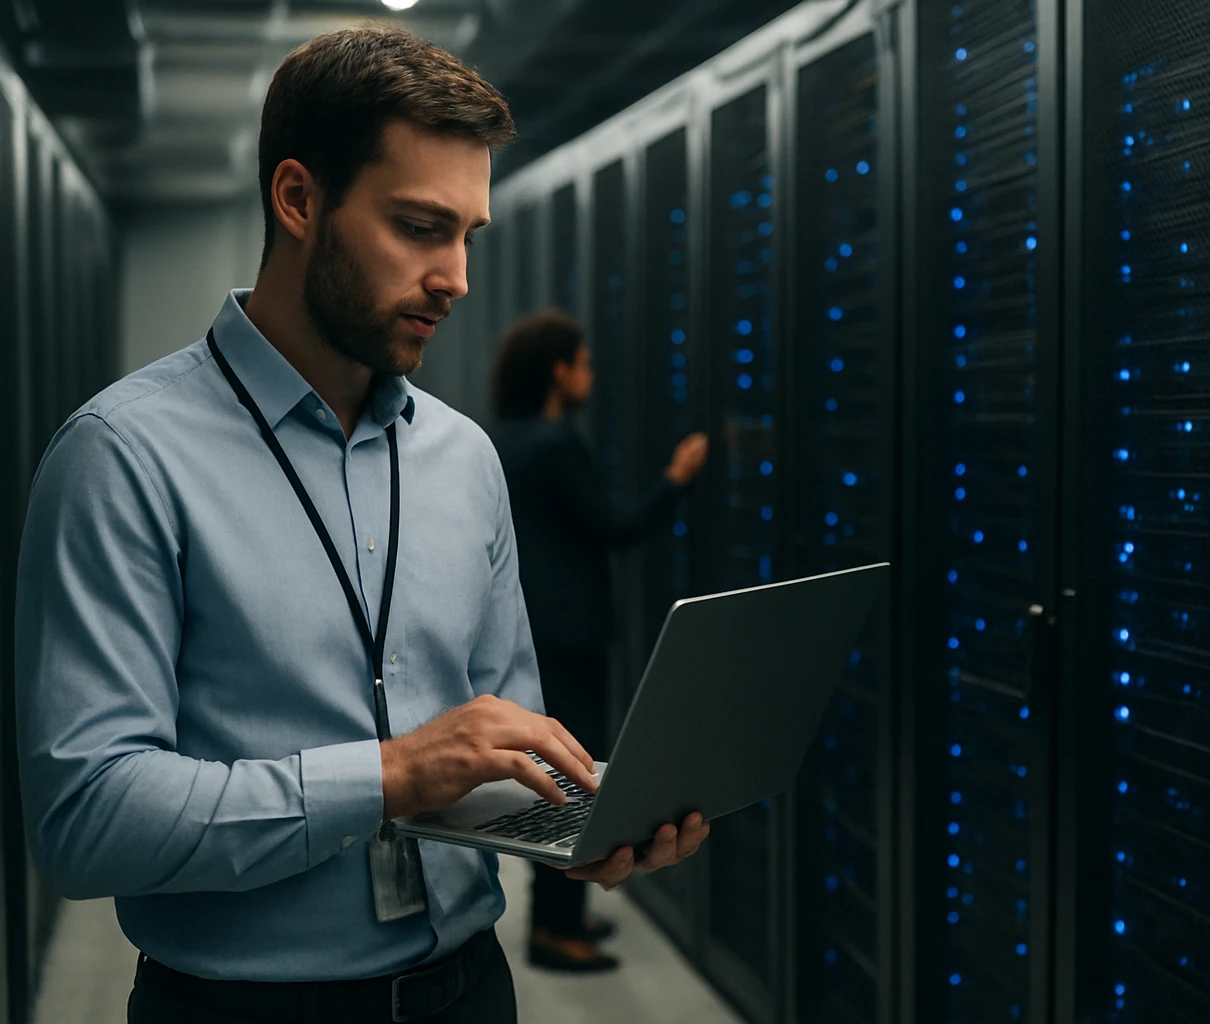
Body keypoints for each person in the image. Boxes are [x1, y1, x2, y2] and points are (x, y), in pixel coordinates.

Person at [13, 27, 707, 1024]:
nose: (457, 277)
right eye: (422, 226)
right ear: (298, 200)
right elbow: (86, 822)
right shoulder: (122, 457)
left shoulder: (466, 459)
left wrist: (586, 818)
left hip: (469, 990)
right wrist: (388, 775)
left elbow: (498, 743)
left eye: (469, 234)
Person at [486, 310, 709, 972]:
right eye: (584, 363)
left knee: (558, 777)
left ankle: (564, 918)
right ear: (560, 371)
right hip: (571, 636)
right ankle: (554, 932)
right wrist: (677, 478)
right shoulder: (555, 445)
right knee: (576, 782)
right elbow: (616, 526)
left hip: (537, 632)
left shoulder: (509, 439)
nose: (592, 374)